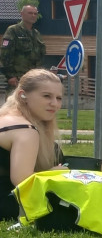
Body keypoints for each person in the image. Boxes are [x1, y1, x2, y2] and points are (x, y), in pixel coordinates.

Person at [0, 68, 63, 220]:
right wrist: (52, 172)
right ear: (23, 95)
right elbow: (23, 181)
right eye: (46, 96)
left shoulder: (6, 117)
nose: (54, 103)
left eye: (59, 98)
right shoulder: (25, 130)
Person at [1, 3, 47, 93]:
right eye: (30, 13)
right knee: (15, 105)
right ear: (22, 14)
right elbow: (5, 55)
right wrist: (10, 76)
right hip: (17, 80)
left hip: (33, 80)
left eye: (35, 13)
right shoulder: (13, 30)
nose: (33, 15)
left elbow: (40, 58)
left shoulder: (36, 34)